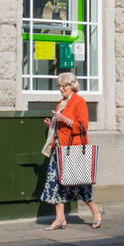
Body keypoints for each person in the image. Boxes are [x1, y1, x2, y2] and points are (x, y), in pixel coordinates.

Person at [42, 72, 102, 230]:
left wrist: (65, 120)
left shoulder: (79, 101)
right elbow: (62, 128)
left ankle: (96, 211)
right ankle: (60, 218)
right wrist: (52, 124)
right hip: (60, 149)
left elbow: (83, 127)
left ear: (72, 86)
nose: (61, 89)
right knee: (56, 183)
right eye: (59, 86)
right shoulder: (60, 103)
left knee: (81, 185)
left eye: (64, 86)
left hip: (73, 149)